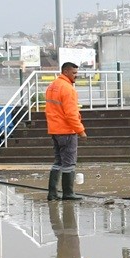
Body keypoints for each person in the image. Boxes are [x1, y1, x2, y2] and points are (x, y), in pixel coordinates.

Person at [44, 61, 87, 200]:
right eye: (74, 73)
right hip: (67, 131)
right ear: (66, 72)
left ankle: (52, 193)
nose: (76, 76)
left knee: (58, 162)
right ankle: (68, 193)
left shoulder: (52, 86)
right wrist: (80, 130)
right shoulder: (68, 89)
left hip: (55, 130)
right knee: (69, 163)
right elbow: (71, 114)